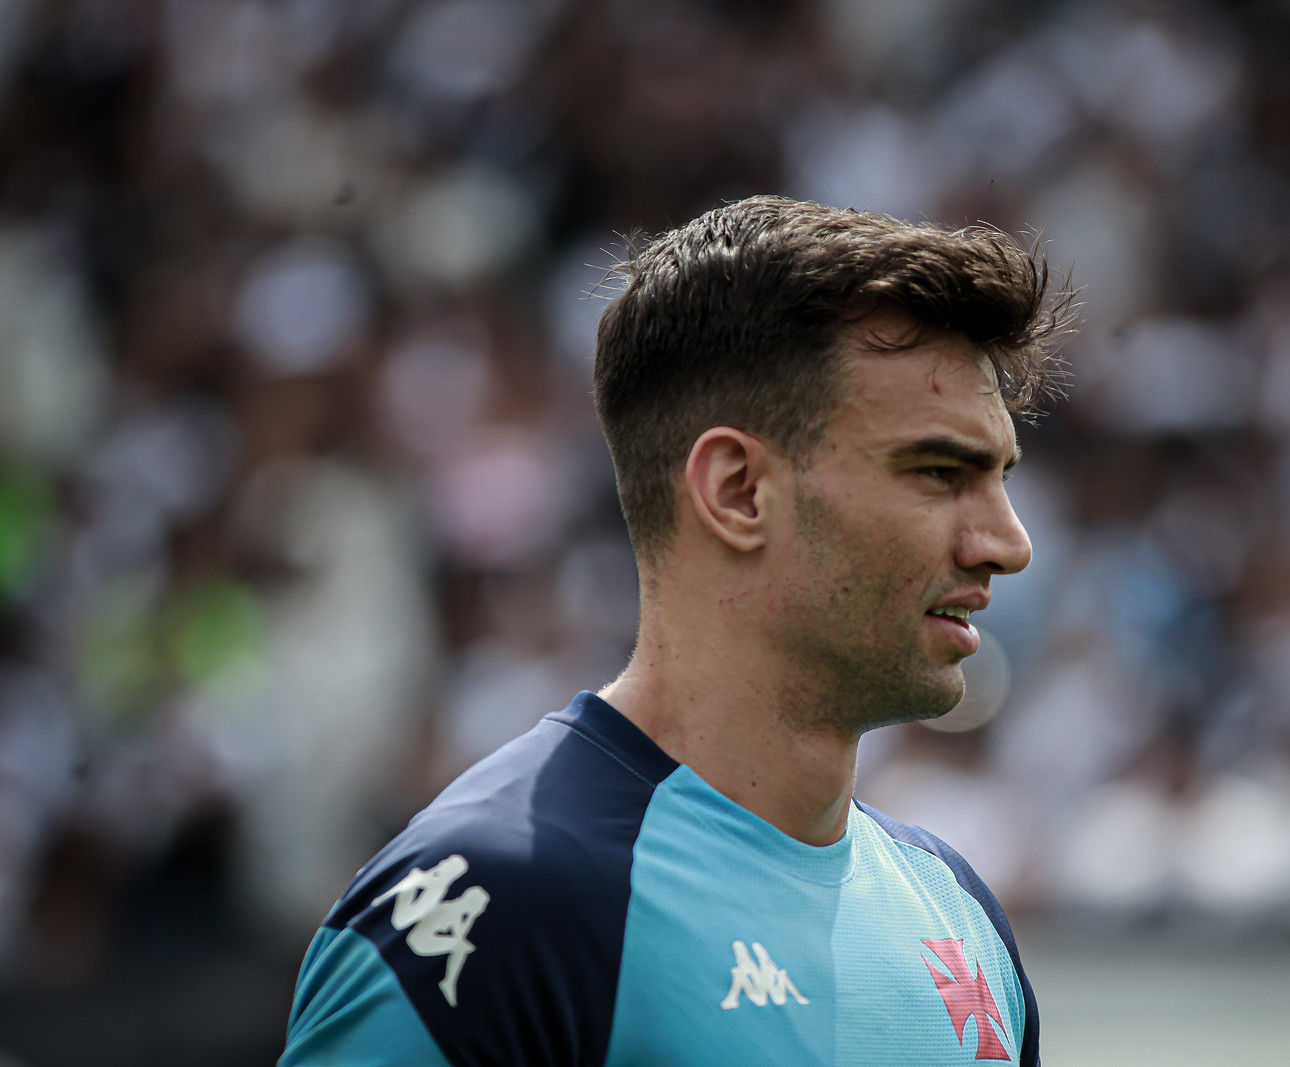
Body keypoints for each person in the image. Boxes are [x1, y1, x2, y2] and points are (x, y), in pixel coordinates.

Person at [279, 195, 1068, 1066]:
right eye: (938, 471)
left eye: (999, 476)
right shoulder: (491, 908)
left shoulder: (957, 914)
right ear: (737, 490)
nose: (1008, 542)